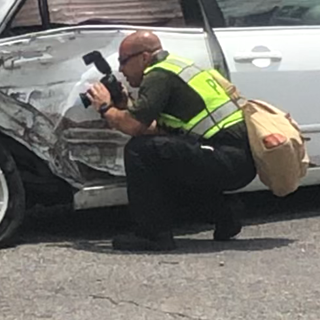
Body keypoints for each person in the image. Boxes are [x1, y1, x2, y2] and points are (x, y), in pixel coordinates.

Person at [86, 31, 256, 251]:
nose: (120, 70)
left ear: (144, 57)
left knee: (139, 151)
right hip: (233, 158)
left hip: (225, 158)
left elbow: (134, 128)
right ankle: (224, 213)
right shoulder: (176, 66)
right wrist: (125, 104)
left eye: (124, 62)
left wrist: (104, 107)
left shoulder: (158, 76)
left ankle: (153, 235)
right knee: (162, 157)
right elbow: (156, 129)